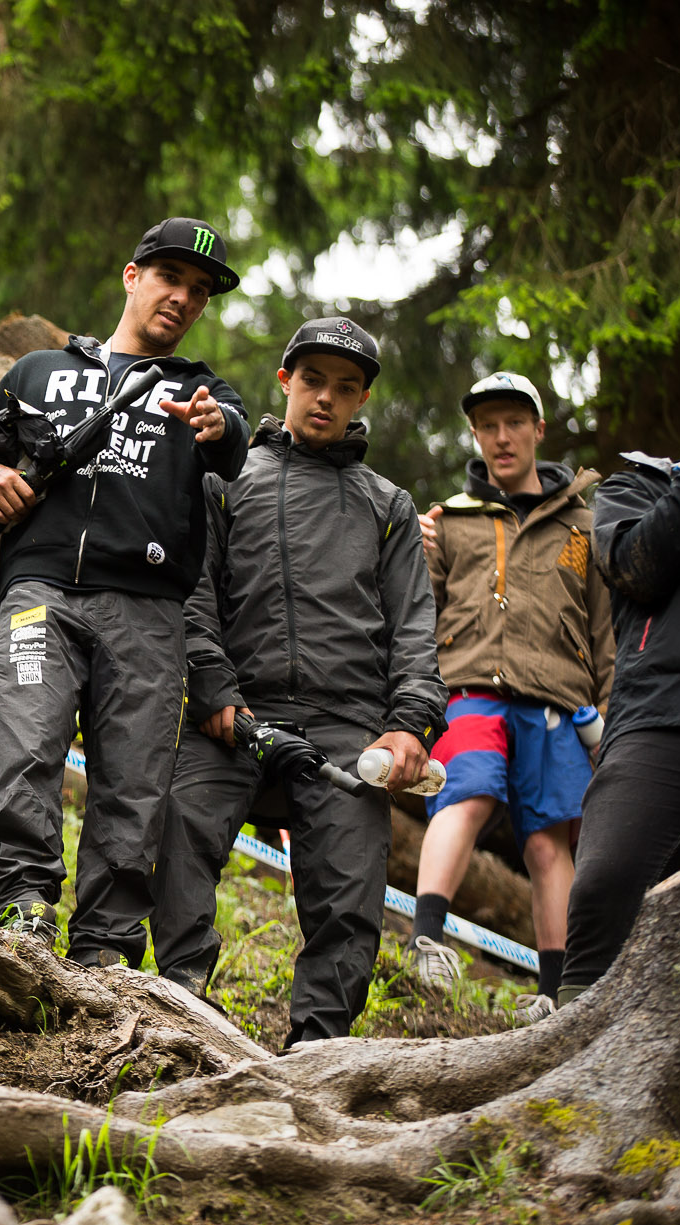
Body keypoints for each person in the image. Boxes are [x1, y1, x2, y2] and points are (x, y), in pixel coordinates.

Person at [0, 218, 249, 954]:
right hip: (39, 593)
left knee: (134, 785)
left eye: (199, 291)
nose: (182, 298)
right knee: (23, 743)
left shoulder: (201, 390)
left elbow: (233, 442)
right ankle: (21, 907)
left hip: (149, 612)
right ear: (131, 275)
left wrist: (216, 421)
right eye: (170, 278)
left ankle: (105, 946)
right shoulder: (40, 372)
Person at [151, 320, 445, 1044]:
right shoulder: (227, 477)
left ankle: (318, 1048)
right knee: (180, 825)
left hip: (349, 724)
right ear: (285, 382)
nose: (326, 398)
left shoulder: (388, 504)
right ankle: (182, 1003)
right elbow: (194, 595)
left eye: (345, 388)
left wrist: (410, 723)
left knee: (350, 896)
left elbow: (414, 628)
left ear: (362, 398)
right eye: (313, 380)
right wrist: (216, 693)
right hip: (236, 714)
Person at [408, 371, 612, 1019]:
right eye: (488, 425)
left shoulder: (584, 526)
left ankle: (554, 993)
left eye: (514, 422)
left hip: (559, 700)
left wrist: (611, 718)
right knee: (467, 790)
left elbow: (603, 631)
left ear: (538, 429)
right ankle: (425, 940)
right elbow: (422, 612)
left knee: (549, 841)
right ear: (474, 434)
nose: (502, 436)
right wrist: (415, 552)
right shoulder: (453, 520)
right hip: (471, 688)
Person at [558, 374, 680, 1007]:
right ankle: (568, 1050)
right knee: (605, 883)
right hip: (661, 716)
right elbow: (638, 568)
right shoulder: (636, 488)